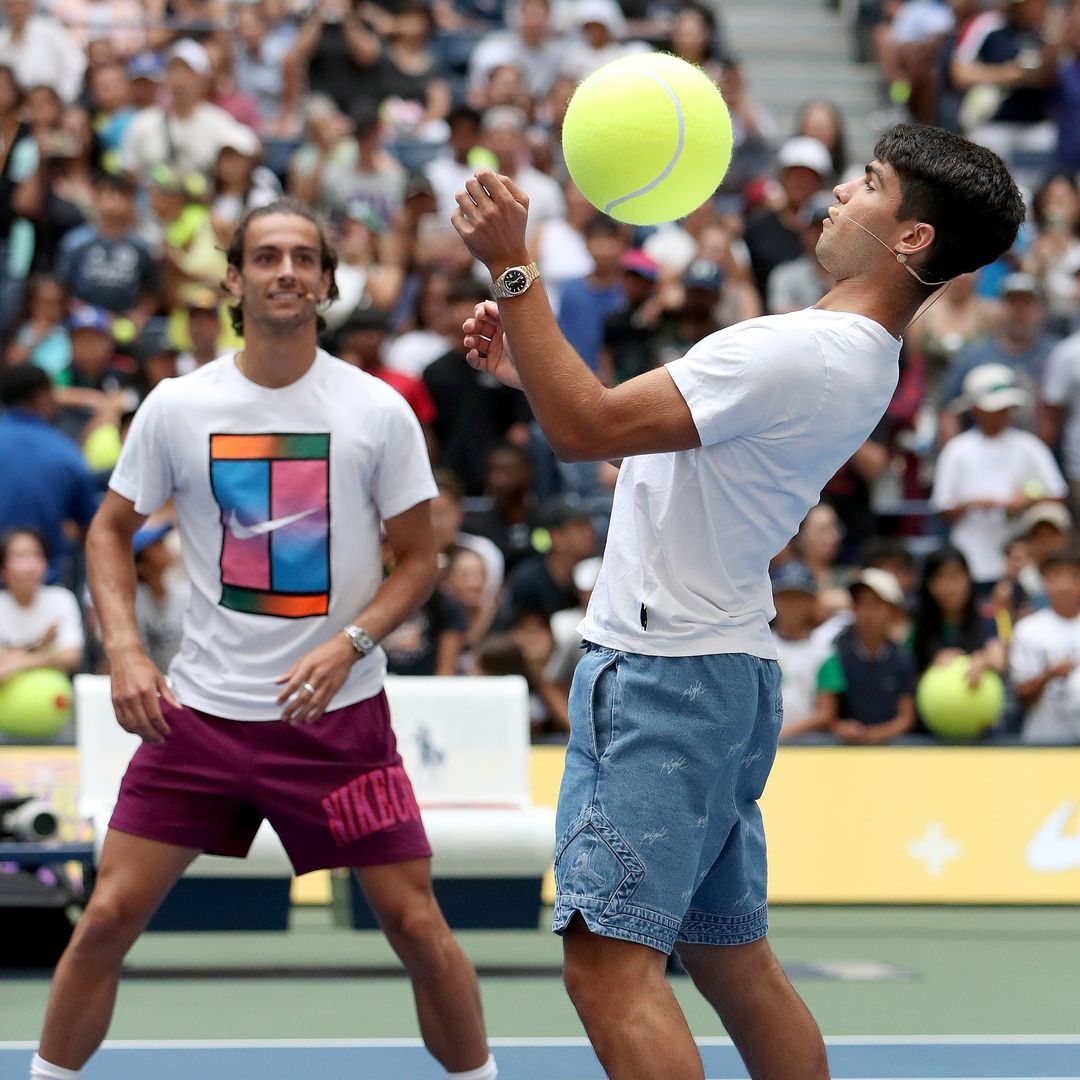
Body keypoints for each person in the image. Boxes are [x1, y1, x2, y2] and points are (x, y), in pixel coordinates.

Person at [451, 121, 1024, 1079]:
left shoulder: (796, 351)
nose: (839, 193)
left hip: (663, 678)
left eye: (869, 183)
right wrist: (528, 359)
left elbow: (587, 427)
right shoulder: (859, 356)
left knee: (607, 969)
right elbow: (606, 424)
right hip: (720, 673)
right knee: (732, 960)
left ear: (912, 237)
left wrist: (515, 270)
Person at [29, 198, 497, 1080]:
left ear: (326, 282)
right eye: (267, 257)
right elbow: (105, 531)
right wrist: (127, 651)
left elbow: (419, 561)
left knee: (417, 926)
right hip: (197, 724)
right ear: (233, 280)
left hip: (339, 731)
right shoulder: (178, 406)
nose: (286, 271)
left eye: (304, 259)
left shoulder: (376, 411)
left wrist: (352, 641)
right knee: (104, 919)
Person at [931, 361, 1067, 593]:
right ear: (975, 409)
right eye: (995, 408)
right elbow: (942, 506)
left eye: (1006, 407)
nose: (1003, 413)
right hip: (970, 556)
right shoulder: (957, 450)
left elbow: (1057, 494)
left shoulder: (1029, 446)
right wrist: (978, 502)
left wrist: (1025, 500)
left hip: (1020, 561)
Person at [0, 364, 99, 585]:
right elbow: (91, 533)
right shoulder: (64, 453)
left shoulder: (64, 452)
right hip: (44, 592)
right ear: (41, 396)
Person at [815, 568, 918, 745]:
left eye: (875, 604)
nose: (867, 612)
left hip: (893, 750)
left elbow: (906, 717)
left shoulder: (903, 659)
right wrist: (840, 727)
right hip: (843, 750)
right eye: (860, 603)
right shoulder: (836, 653)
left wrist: (882, 733)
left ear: (892, 611)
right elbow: (828, 711)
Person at [1010, 545, 1080, 743]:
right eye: (1057, 575)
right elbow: (1021, 697)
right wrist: (1049, 674)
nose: (1066, 585)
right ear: (1045, 581)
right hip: (1041, 744)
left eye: (1075, 576)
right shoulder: (1027, 629)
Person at [0, 527, 83, 692]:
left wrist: (19, 661)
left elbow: (72, 658)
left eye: (36, 555)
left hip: (53, 699)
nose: (29, 566)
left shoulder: (62, 599)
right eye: (20, 557)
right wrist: (39, 645)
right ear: (3, 570)